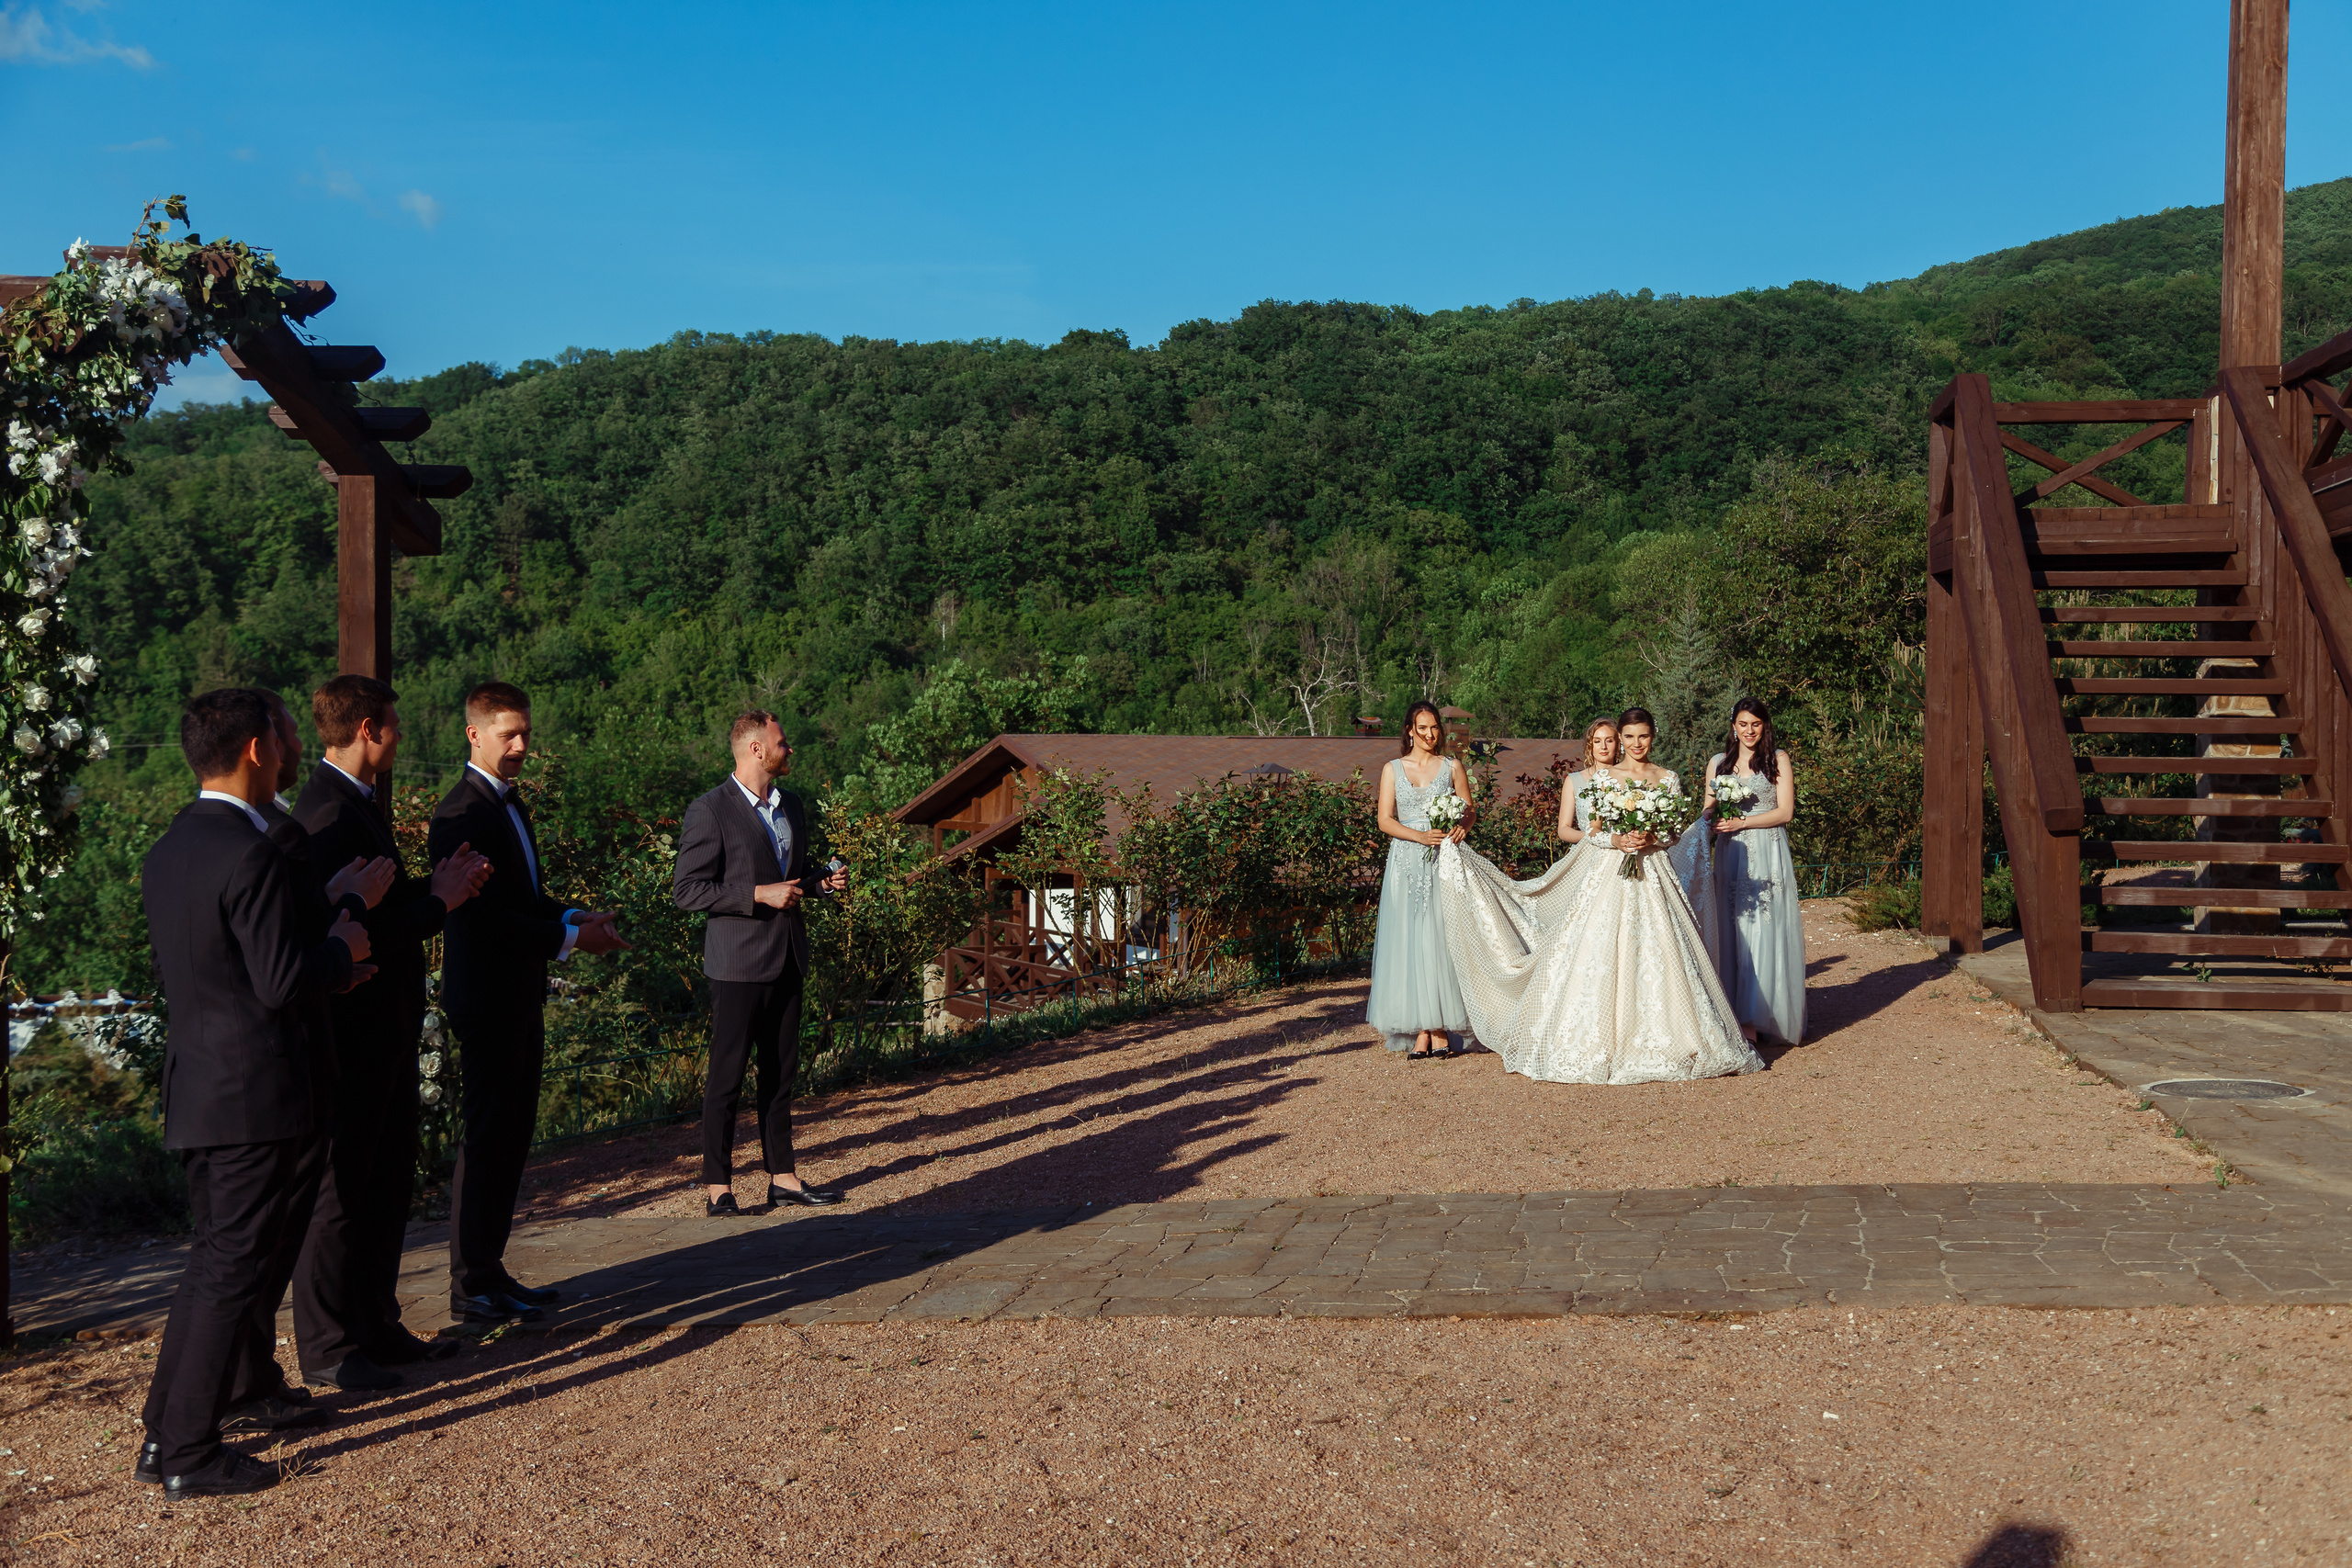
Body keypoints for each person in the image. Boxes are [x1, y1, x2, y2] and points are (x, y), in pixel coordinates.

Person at [135, 688, 373, 1498]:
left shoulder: (171, 846)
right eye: (287, 732)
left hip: (199, 1087)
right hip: (256, 1092)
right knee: (231, 1268)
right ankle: (187, 1453)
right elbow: (281, 980)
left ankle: (165, 1434)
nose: (296, 742)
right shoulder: (254, 851)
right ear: (256, 751)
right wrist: (341, 948)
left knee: (213, 1264)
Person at [290, 675, 492, 1390]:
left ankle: (375, 1321)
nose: (402, 738)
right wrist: (435, 901)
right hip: (352, 1030)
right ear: (369, 729)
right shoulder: (323, 814)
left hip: (387, 1028)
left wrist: (438, 885)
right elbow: (351, 927)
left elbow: (381, 899)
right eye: (395, 726)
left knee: (384, 1182)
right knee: (341, 1189)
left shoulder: (355, 804)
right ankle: (326, 1343)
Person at [429, 682, 628, 1325]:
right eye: (508, 734)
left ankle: (489, 1271)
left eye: (525, 734)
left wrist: (574, 915)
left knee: (511, 1138)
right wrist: (572, 939)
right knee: (486, 1139)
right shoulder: (461, 813)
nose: (520, 746)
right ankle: (469, 1286)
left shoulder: (510, 805)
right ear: (474, 734)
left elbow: (524, 898)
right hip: (486, 999)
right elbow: (484, 919)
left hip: (516, 994)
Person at [1434, 707, 1761, 1085]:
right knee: (1598, 951)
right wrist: (1618, 839)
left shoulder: (1666, 778)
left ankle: (1675, 1035)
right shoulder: (1604, 778)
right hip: (1610, 875)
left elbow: (1674, 833)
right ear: (1621, 739)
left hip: (1654, 872)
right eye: (1630, 737)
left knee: (1664, 951)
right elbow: (1592, 832)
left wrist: (1653, 838)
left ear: (1653, 736)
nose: (1637, 744)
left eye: (1644, 736)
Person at [672, 711, 848, 1213]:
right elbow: (688, 891)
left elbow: (789, 882)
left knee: (780, 1075)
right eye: (782, 743)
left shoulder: (791, 804)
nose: (789, 750)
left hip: (788, 955)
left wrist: (820, 883)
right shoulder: (709, 810)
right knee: (726, 1079)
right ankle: (718, 1188)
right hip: (736, 964)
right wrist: (757, 894)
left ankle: (783, 1178)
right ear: (754, 749)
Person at [1365, 699, 1476, 1059]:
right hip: (1406, 861)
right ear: (1410, 731)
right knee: (1410, 940)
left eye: (1435, 728)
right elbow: (1385, 820)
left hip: (1443, 858)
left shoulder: (1451, 766)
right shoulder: (1392, 769)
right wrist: (1418, 836)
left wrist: (1460, 828)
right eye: (1423, 728)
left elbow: (1469, 810)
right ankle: (1424, 1029)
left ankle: (1438, 1027)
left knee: (1439, 937)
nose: (1430, 735)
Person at [1705, 696, 1805, 1046]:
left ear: (1765, 726)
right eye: (1743, 724)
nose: (1749, 731)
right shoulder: (1718, 763)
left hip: (1767, 851)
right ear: (1733, 725)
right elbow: (1709, 809)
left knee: (1764, 929)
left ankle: (1758, 1015)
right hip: (1731, 853)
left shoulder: (1777, 760)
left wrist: (1742, 821)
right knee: (1734, 931)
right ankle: (1734, 1012)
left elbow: (1785, 812)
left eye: (1756, 724)